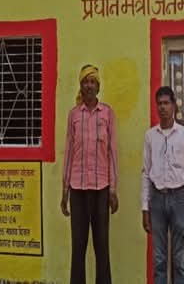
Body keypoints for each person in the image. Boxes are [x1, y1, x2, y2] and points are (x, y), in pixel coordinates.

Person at [61, 64, 119, 284]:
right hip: (77, 188)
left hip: (101, 188)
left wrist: (113, 189)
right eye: (85, 81)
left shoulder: (107, 114)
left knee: (101, 245)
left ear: (98, 86)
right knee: (78, 246)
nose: (89, 85)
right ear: (81, 85)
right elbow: (68, 153)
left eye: (93, 81)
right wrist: (65, 190)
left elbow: (112, 153)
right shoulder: (74, 115)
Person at [141, 86, 184, 284]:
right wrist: (145, 208)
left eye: (166, 103)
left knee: (179, 258)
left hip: (179, 199)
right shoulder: (150, 136)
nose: (162, 107)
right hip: (157, 199)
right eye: (159, 103)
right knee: (159, 258)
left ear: (174, 106)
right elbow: (145, 173)